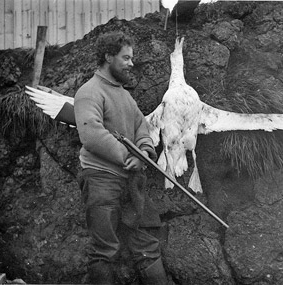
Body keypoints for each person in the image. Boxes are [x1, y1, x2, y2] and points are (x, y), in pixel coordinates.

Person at [74, 31, 167, 284]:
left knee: (146, 246)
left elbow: (142, 129)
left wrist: (144, 154)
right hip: (101, 181)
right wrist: (130, 157)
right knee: (105, 250)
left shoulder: (125, 95)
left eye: (131, 58)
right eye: (125, 58)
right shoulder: (89, 92)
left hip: (130, 182)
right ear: (108, 57)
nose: (131, 63)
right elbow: (91, 134)